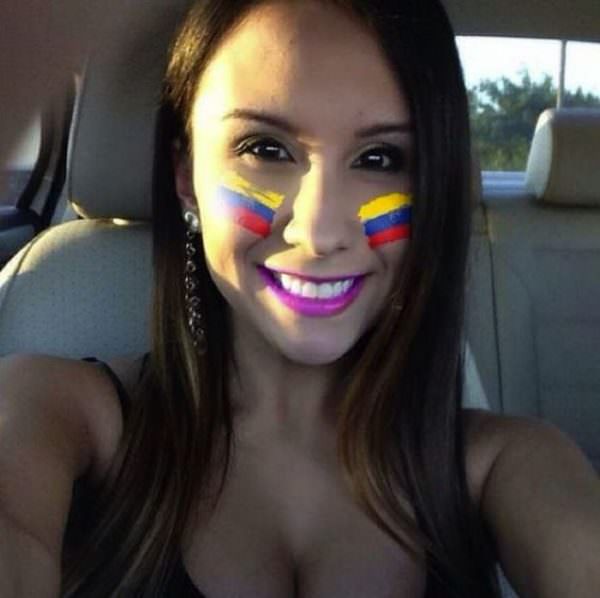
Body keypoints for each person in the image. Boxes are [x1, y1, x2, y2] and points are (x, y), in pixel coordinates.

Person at [0, 0, 599, 597]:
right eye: (264, 149)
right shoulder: (53, 408)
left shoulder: (509, 463)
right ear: (185, 176)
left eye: (380, 159)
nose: (318, 232)